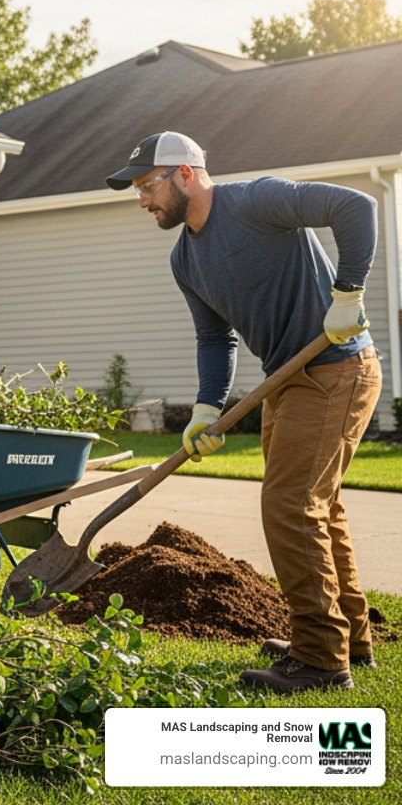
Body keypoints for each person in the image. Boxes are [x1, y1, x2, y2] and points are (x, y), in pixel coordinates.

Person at [107, 131, 381, 693]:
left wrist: (348, 293)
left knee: (290, 505)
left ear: (186, 174)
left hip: (336, 368)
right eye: (136, 190)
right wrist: (205, 410)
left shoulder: (256, 200)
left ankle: (321, 659)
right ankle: (349, 639)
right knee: (319, 508)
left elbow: (356, 207)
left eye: (147, 185)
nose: (142, 200)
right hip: (287, 381)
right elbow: (215, 338)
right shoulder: (184, 258)